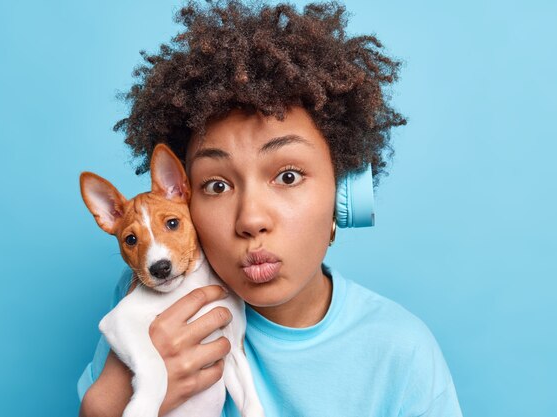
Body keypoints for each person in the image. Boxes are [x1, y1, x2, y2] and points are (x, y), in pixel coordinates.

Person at [78, 1, 463, 416]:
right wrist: (112, 398)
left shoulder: (401, 352)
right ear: (185, 198)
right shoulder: (150, 302)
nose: (251, 220)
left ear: (344, 192)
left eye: (288, 176)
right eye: (217, 185)